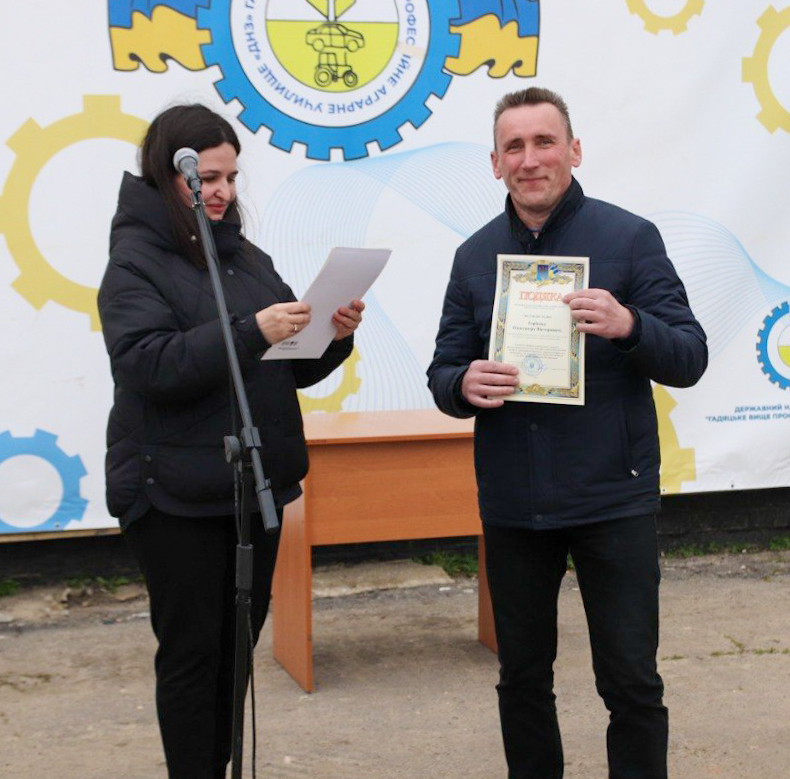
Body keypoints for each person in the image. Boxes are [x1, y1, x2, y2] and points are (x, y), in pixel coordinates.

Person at [427, 87, 708, 778]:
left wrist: (629, 325)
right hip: (514, 502)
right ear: (495, 163)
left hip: (613, 497)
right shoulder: (474, 256)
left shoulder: (629, 239)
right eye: (514, 147)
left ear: (574, 150)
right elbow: (443, 370)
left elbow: (689, 355)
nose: (530, 160)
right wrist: (462, 385)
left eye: (544, 142)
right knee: (522, 679)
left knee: (631, 682)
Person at [98, 103, 364, 778]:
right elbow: (149, 365)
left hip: (250, 489)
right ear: (167, 176)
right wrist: (251, 331)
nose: (221, 192)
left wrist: (331, 333)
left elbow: (287, 366)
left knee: (236, 650)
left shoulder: (245, 257)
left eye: (230, 177)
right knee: (193, 656)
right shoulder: (134, 263)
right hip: (174, 495)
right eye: (207, 179)